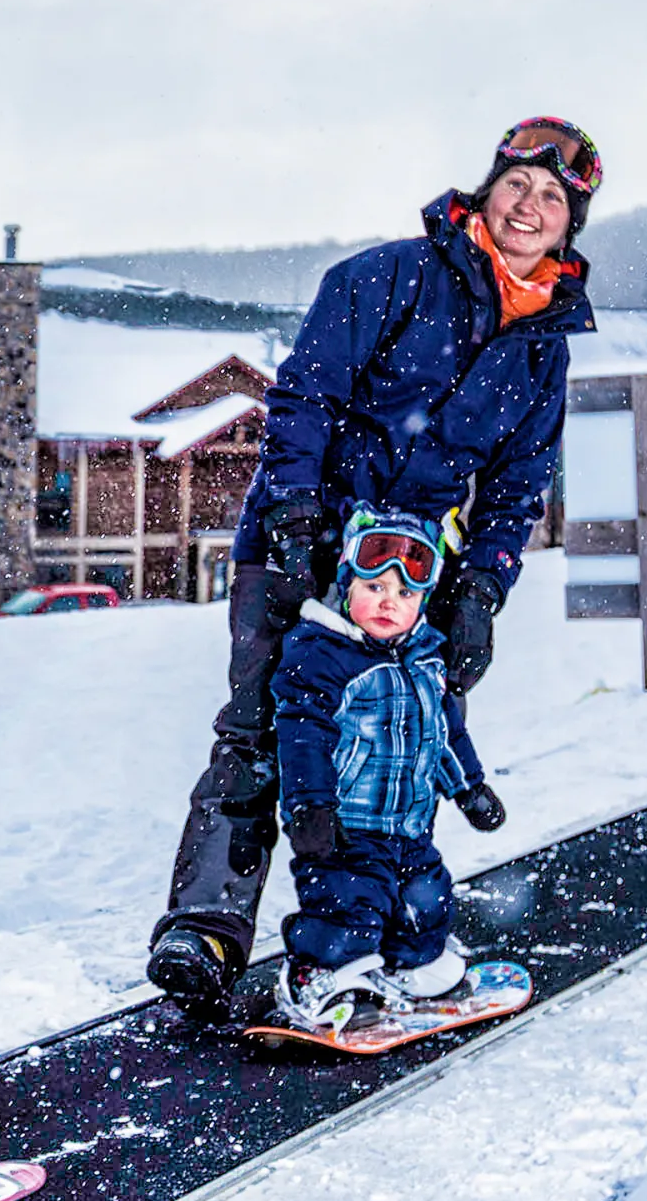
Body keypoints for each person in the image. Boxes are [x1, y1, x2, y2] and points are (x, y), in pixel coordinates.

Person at [146, 117, 601, 1019]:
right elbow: (306, 392)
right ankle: (205, 928)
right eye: (519, 183)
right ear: (488, 186)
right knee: (261, 728)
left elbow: (519, 483)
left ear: (568, 226)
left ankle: (383, 930)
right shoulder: (389, 277)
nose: (529, 205)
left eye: (553, 198)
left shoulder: (544, 345)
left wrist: (479, 591)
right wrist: (294, 509)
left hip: (409, 570)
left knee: (402, 739)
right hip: (305, 535)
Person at [267, 508, 478, 1029]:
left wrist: (470, 787)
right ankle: (319, 977)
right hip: (345, 827)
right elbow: (303, 738)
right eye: (376, 587)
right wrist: (309, 806)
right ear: (347, 582)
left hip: (408, 825)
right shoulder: (323, 656)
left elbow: (444, 734)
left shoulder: (426, 661)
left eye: (406, 594)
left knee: (425, 899)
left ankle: (411, 966)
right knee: (346, 907)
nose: (390, 601)